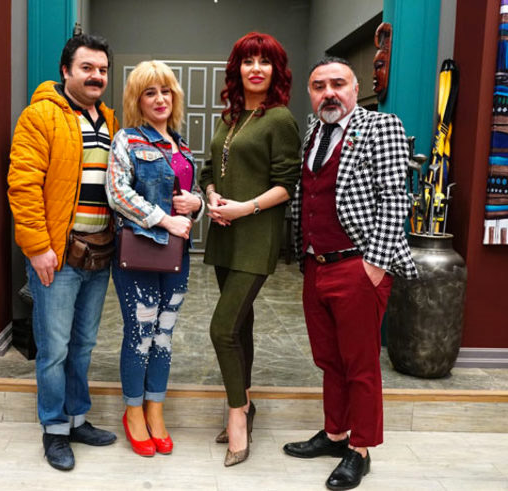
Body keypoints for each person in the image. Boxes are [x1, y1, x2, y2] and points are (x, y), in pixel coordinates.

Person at [284, 57, 418, 490]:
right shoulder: (313, 131)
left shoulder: (381, 127)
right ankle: (335, 433)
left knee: (360, 365)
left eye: (337, 84)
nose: (329, 93)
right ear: (310, 93)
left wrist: (375, 264)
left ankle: (359, 449)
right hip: (315, 264)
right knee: (328, 359)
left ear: (355, 89)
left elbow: (395, 198)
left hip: (358, 265)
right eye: (318, 85)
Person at [7, 34, 119, 471]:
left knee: (84, 344)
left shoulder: (110, 120)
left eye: (102, 70)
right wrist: (37, 248)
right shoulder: (40, 116)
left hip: (99, 254)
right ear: (66, 71)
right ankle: (54, 430)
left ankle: (77, 419)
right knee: (54, 348)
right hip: (57, 255)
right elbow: (23, 186)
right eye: (87, 68)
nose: (96, 76)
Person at [199, 32, 301, 467]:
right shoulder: (230, 118)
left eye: (265, 61)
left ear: (276, 71)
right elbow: (209, 169)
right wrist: (211, 197)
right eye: (248, 61)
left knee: (221, 329)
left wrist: (245, 208)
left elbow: (287, 184)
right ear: (236, 69)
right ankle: (247, 402)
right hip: (225, 234)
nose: (256, 68)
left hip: (256, 237)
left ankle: (237, 413)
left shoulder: (280, 119)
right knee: (240, 327)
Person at [106, 61, 204, 457]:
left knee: (164, 336)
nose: (160, 99)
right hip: (140, 254)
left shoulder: (182, 146)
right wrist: (165, 220)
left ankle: (155, 410)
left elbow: (189, 196)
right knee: (140, 334)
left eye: (165, 91)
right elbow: (118, 194)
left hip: (176, 256)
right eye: (150, 92)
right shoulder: (126, 140)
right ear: (137, 100)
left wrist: (196, 204)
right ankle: (133, 412)